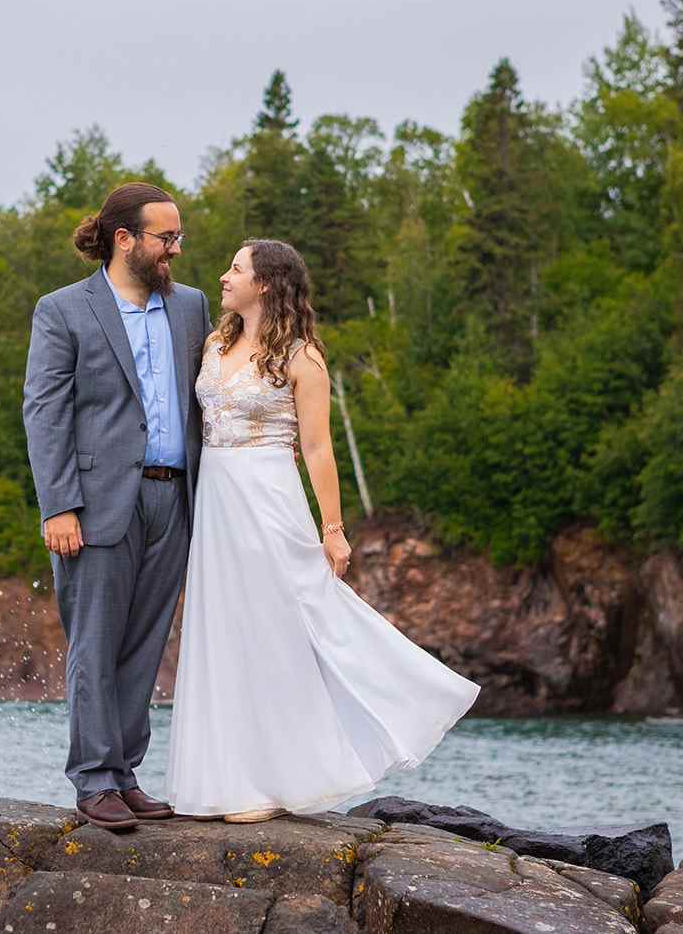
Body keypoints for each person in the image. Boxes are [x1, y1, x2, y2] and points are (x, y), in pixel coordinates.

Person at [165, 239, 480, 823]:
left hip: (268, 495)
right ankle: (228, 780)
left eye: (236, 269)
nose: (223, 276)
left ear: (265, 284)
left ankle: (388, 712)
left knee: (284, 626)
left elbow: (317, 447)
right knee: (224, 632)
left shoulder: (302, 357)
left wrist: (332, 529)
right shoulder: (216, 343)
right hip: (216, 502)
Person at [22, 182, 214, 831]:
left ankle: (125, 773)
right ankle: (94, 779)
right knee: (94, 646)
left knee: (143, 647)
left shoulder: (191, 306)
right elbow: (44, 413)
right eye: (166, 237)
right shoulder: (63, 310)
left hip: (175, 499)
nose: (176, 249)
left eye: (178, 237)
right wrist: (59, 506)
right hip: (96, 504)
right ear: (124, 239)